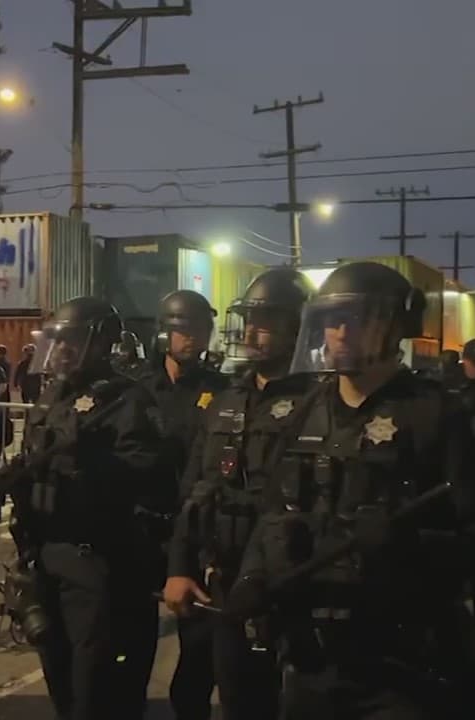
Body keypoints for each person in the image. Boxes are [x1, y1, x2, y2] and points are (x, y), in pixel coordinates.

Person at [230, 261, 475, 720]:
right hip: (310, 660)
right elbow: (272, 514)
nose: (339, 332)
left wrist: (411, 545)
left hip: (401, 665)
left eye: (354, 319)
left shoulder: (437, 418)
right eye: (330, 320)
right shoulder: (300, 414)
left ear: (394, 328)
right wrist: (251, 578)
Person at [161, 268, 316, 719]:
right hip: (223, 583)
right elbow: (195, 490)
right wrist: (179, 567)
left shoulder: (320, 400)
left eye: (266, 319)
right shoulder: (228, 398)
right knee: (235, 701)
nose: (251, 330)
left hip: (288, 587)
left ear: (298, 326)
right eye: (248, 318)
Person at [14, 296, 169, 720]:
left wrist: (88, 466)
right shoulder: (51, 396)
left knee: (97, 688)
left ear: (102, 344)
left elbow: (151, 475)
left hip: (98, 559)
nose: (62, 350)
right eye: (57, 340)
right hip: (46, 554)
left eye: (73, 340)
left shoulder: (127, 400)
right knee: (59, 677)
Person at [137, 289, 230, 720]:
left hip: (194, 530)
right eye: (185, 329)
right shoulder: (135, 386)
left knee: (197, 655)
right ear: (165, 333)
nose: (194, 338)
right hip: (140, 530)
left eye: (201, 329)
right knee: (130, 647)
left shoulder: (223, 391)